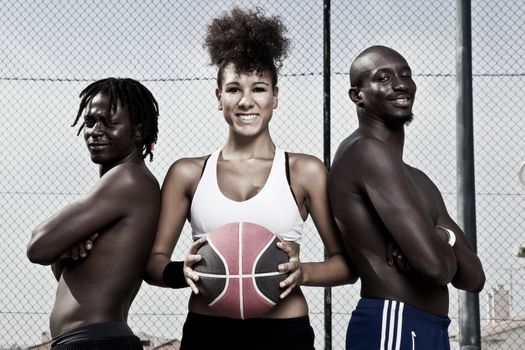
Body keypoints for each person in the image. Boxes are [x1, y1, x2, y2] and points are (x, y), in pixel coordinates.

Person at [144, 7, 354, 350]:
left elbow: (346, 264)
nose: (245, 101)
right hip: (208, 332)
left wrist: (304, 272)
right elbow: (153, 263)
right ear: (218, 97)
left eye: (258, 89)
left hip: (284, 333)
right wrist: (180, 272)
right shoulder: (188, 173)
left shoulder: (304, 171)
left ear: (275, 96)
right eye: (233, 89)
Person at [328, 45, 486, 350]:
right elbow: (437, 269)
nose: (400, 84)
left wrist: (441, 236)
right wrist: (438, 245)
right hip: (393, 322)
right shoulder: (366, 151)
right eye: (383, 78)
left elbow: (474, 278)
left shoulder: (419, 179)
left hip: (431, 328)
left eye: (405, 75)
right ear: (357, 95)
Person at [26, 77, 161, 349]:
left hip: (96, 341)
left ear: (138, 132)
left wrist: (58, 246)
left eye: (109, 123)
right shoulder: (123, 183)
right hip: (92, 339)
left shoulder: (128, 179)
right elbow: (66, 272)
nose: (95, 131)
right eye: (89, 122)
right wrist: (64, 250)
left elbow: (38, 246)